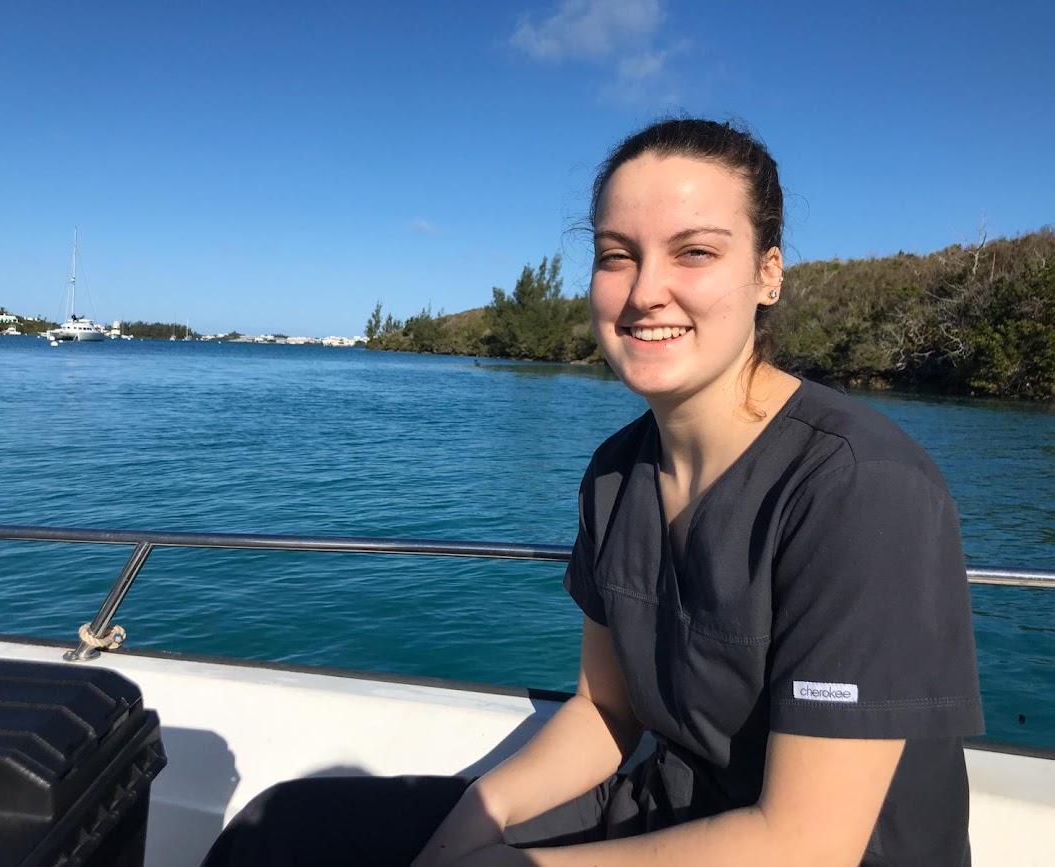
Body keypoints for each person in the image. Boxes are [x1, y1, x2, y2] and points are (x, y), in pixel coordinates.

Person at [200, 118, 984, 866]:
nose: (646, 291)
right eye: (617, 255)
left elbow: (806, 843)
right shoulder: (617, 472)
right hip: (663, 808)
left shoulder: (862, 489)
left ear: (768, 274)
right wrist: (474, 821)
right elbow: (607, 709)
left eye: (695, 252)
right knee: (282, 832)